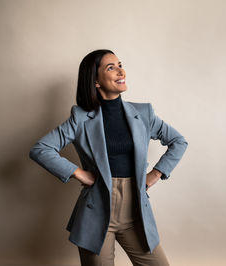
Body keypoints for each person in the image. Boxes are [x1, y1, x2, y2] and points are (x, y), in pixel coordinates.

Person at [29, 49, 188, 266]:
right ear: (95, 81)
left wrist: (156, 173)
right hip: (96, 213)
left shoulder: (143, 114)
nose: (121, 71)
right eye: (110, 67)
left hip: (136, 213)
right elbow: (41, 149)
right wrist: (78, 173)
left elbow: (178, 141)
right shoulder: (80, 118)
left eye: (120, 64)